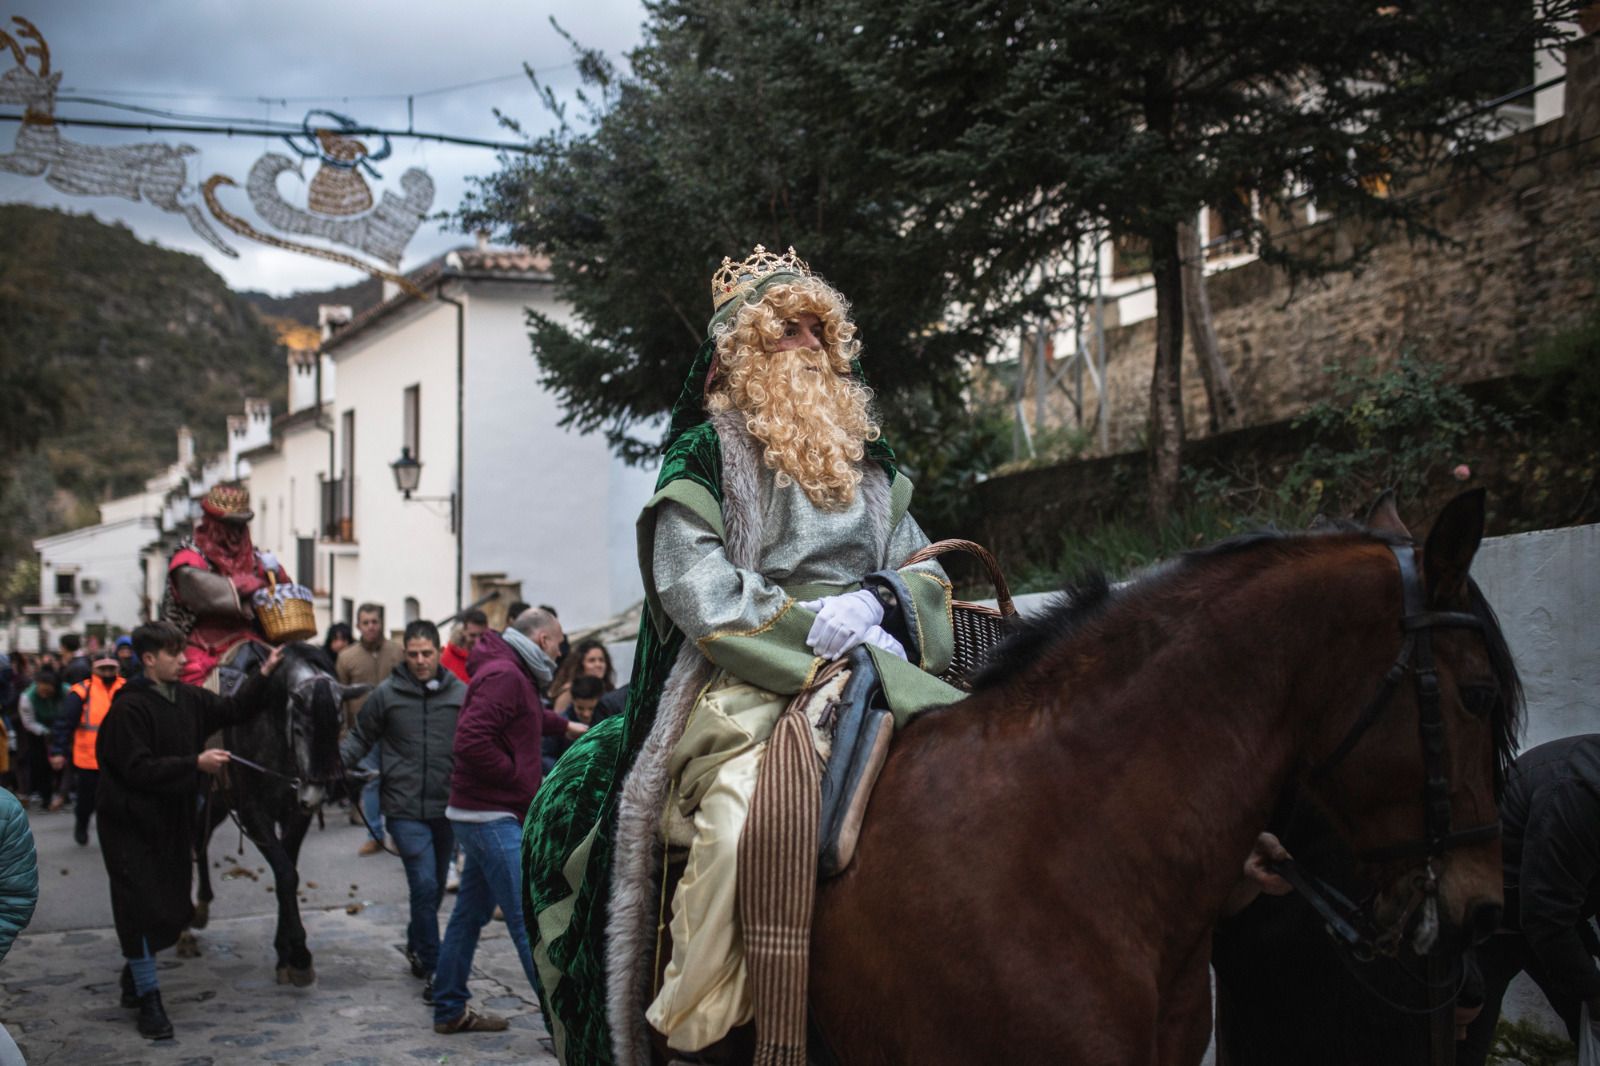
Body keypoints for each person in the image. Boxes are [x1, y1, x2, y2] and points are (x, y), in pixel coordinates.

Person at [525, 246, 963, 1058]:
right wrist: (807, 629)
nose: (807, 346)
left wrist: (882, 602)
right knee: (735, 823)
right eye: (786, 331)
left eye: (817, 331)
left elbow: (927, 567)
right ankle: (700, 1032)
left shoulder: (869, 465)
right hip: (750, 679)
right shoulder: (705, 454)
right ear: (743, 354)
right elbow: (694, 586)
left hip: (881, 659)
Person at [95, 621, 283, 1040]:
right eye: (173, 653)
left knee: (171, 907)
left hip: (172, 822)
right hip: (129, 826)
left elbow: (233, 710)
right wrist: (194, 764)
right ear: (149, 660)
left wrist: (265, 672)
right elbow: (137, 769)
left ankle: (134, 973)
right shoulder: (128, 709)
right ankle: (150, 1001)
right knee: (138, 909)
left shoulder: (189, 698)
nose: (183, 660)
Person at [431, 607, 586, 1034]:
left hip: (482, 812)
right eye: (558, 643)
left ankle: (448, 1008)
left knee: (468, 916)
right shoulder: (507, 675)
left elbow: (524, 716)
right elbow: (470, 741)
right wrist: (518, 778)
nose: (560, 652)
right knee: (526, 920)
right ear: (542, 640)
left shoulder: (511, 670)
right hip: (489, 815)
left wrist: (566, 727)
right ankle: (563, 1032)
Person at [339, 619, 465, 1003]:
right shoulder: (386, 695)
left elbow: (478, 741)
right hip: (403, 808)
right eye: (413, 654)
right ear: (404, 654)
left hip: (448, 808)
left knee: (434, 888)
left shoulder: (460, 694)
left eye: (427, 653)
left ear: (438, 652)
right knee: (424, 884)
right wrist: (333, 766)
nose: (421, 660)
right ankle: (434, 966)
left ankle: (416, 942)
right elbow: (361, 736)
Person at [1461, 735, 1600, 1063]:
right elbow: (1545, 913)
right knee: (1465, 1042)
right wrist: (1595, 992)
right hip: (1493, 916)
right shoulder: (1577, 790)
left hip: (1548, 912)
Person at [161, 482, 292, 687]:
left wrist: (276, 576)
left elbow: (283, 592)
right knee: (190, 685)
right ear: (211, 523)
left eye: (240, 525)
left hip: (256, 639)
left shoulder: (256, 558)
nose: (235, 532)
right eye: (228, 525)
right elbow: (203, 591)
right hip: (204, 643)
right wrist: (250, 587)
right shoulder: (190, 558)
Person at [338, 604, 403, 855]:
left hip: (396, 729)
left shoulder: (397, 652)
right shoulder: (347, 658)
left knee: (397, 782)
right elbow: (340, 698)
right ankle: (374, 835)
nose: (371, 627)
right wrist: (343, 733)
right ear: (358, 626)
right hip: (364, 732)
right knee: (371, 782)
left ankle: (398, 835)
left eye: (374, 621)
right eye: (365, 623)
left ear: (381, 623)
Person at [52, 652, 127, 846]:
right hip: (88, 758)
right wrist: (58, 751)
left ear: (118, 668)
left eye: (111, 668)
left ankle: (113, 834)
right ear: (93, 669)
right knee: (86, 800)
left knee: (117, 800)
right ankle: (82, 824)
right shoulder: (81, 691)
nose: (107, 672)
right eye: (103, 669)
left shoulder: (127, 689)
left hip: (119, 758)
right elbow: (64, 723)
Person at [17, 670, 64, 812]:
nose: (45, 695)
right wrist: (46, 732)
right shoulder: (27, 697)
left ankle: (63, 795)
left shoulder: (66, 692)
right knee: (41, 765)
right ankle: (46, 797)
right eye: (42, 691)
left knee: (63, 765)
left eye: (48, 692)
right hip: (37, 733)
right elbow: (28, 722)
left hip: (61, 729)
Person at [543, 674, 605, 773]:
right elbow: (545, 756)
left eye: (591, 708)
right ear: (573, 701)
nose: (586, 714)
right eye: (580, 708)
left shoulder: (605, 718)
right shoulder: (560, 723)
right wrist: (564, 773)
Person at [548, 638, 615, 715]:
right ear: (579, 664)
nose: (598, 664)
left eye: (601, 660)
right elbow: (558, 718)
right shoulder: (569, 691)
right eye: (591, 660)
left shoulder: (607, 688)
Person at [440, 609, 489, 684]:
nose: (478, 641)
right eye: (472, 635)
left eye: (482, 635)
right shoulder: (447, 658)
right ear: (463, 631)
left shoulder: (492, 656)